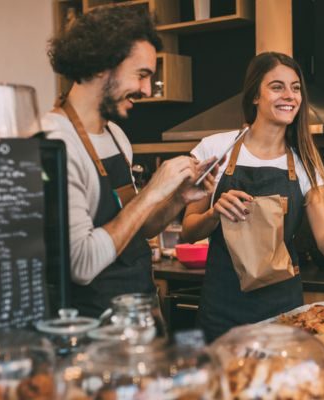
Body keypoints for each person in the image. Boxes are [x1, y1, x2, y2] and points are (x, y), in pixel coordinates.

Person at [182, 52, 324, 341]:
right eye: (277, 87)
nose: (289, 95)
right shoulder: (215, 150)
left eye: (296, 87)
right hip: (221, 308)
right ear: (255, 96)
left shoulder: (304, 164)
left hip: (282, 311)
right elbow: (188, 231)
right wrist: (214, 214)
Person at [42, 7, 216, 318]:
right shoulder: (53, 141)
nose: (147, 90)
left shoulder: (116, 135)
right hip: (89, 331)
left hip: (135, 318)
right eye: (142, 75)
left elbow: (135, 227)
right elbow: (81, 264)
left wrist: (176, 198)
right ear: (100, 66)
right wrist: (152, 191)